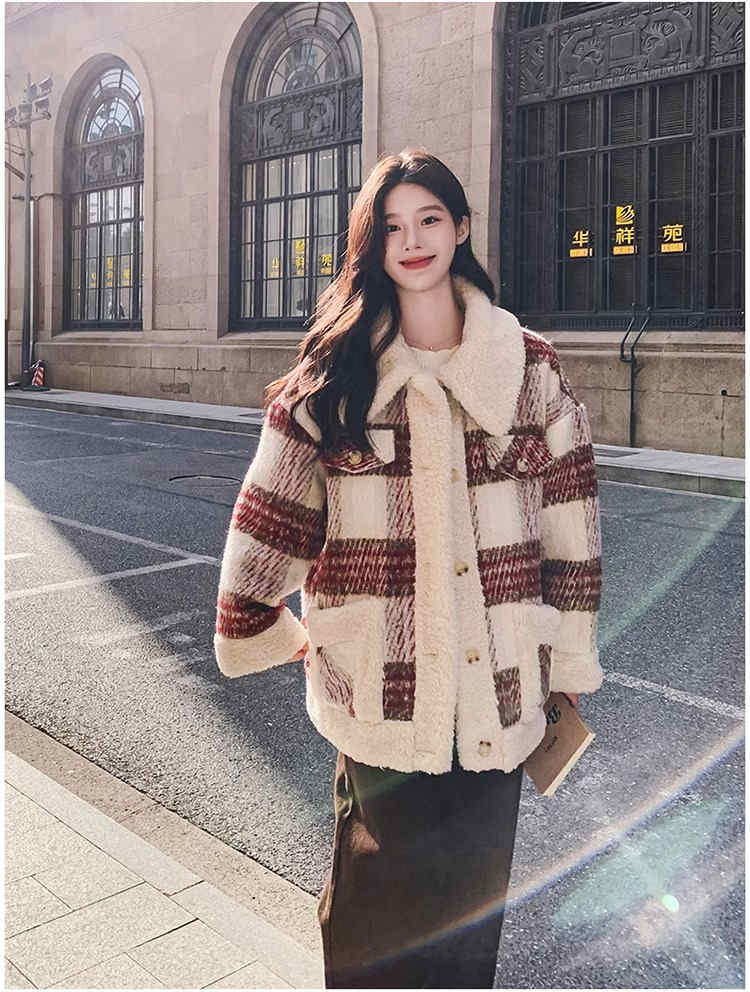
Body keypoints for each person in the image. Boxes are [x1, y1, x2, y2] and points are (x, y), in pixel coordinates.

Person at [213, 147, 603, 988]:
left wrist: (568, 666)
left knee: (467, 945)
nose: (413, 240)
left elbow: (571, 532)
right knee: (374, 945)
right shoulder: (335, 378)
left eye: (429, 219)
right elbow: (260, 548)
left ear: (461, 227)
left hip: (500, 701)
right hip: (383, 713)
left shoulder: (529, 368)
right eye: (391, 227)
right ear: (372, 245)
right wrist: (298, 643)